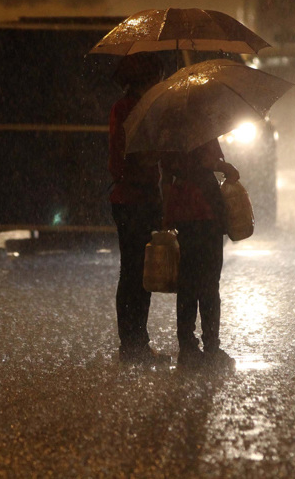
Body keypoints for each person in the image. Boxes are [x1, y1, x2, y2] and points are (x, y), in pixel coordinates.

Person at [108, 52, 169, 366]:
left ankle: (132, 344)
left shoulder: (123, 107)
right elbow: (134, 158)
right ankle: (134, 345)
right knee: (137, 275)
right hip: (137, 200)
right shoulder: (138, 109)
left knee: (131, 274)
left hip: (128, 200)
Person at [162, 139, 239, 372]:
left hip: (183, 210)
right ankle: (211, 347)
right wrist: (225, 167)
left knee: (187, 282)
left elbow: (168, 170)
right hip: (205, 211)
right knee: (208, 281)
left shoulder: (169, 129)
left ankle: (187, 346)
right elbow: (205, 160)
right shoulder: (199, 125)